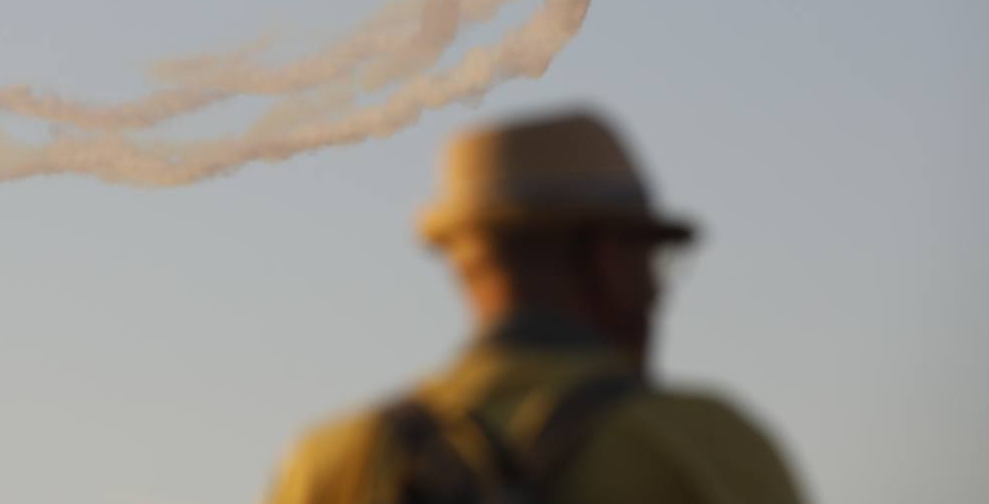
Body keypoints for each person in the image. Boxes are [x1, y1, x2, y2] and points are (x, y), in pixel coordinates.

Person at [267, 110, 805, 504]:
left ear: (465, 262)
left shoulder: (332, 466)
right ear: (608, 259)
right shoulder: (701, 448)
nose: (657, 293)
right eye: (650, 263)